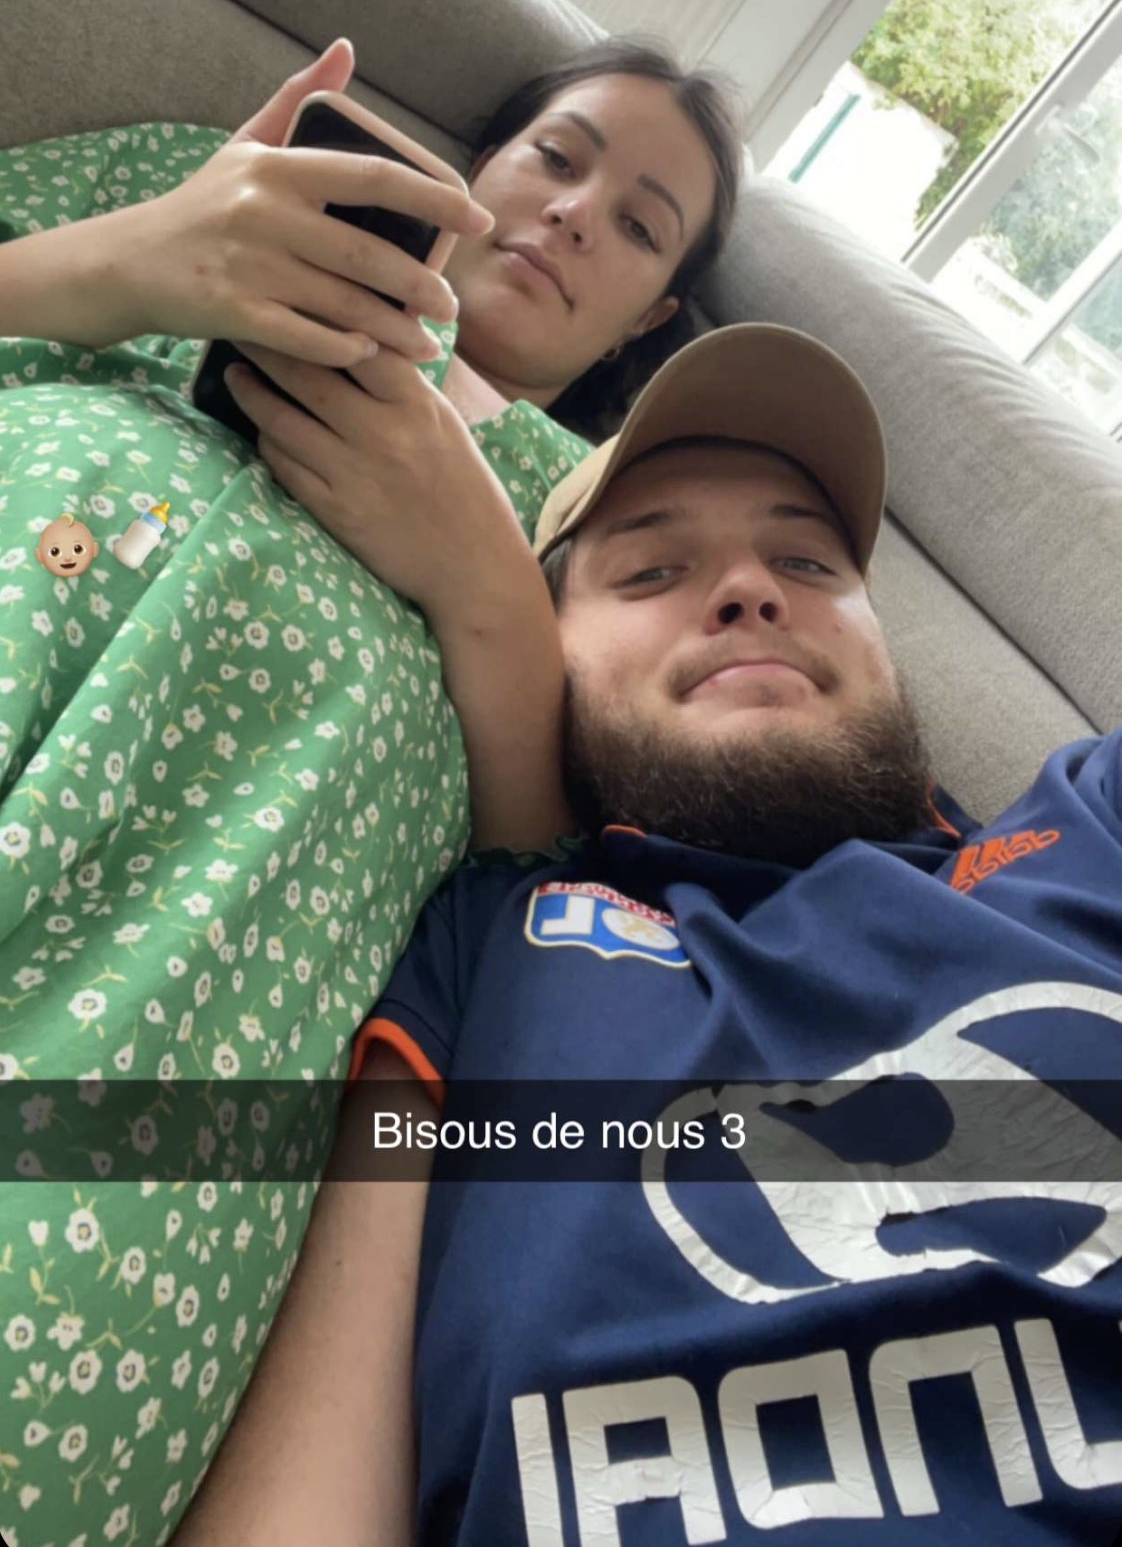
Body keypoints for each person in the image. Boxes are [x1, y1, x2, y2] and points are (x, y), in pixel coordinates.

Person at [175, 324, 1122, 1547]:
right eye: (650, 572)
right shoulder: (486, 946)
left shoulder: (1089, 825)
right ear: (551, 649)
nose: (750, 590)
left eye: (806, 559)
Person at [0, 36, 743, 1547]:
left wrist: (489, 591)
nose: (575, 210)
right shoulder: (198, 183)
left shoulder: (602, 511)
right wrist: (127, 265)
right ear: (479, 167)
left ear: (649, 315)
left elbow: (550, 900)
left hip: (191, 981)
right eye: (557, 155)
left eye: (640, 223)